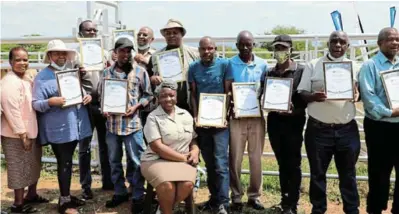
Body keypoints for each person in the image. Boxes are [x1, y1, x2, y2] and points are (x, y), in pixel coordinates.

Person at [297, 31, 361, 214]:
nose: (338, 45)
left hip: (347, 129)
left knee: (348, 174)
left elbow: (362, 93)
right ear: (328, 43)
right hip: (318, 130)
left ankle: (352, 210)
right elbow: (301, 93)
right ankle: (318, 210)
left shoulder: (355, 67)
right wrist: (313, 96)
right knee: (317, 175)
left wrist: (358, 95)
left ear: (348, 46)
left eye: (342, 42)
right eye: (334, 41)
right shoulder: (312, 65)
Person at [32, 40, 92, 214]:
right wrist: (51, 102)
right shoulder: (42, 77)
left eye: (63, 53)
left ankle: (66, 195)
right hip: (59, 129)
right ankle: (65, 201)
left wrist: (86, 96)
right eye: (57, 53)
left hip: (75, 125)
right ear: (50, 56)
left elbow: (80, 92)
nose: (61, 56)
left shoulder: (71, 73)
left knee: (67, 161)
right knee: (64, 162)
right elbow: (36, 104)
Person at [97, 38, 153, 212]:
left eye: (129, 51)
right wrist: (104, 109)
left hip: (133, 125)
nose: (126, 54)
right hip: (112, 126)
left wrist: (137, 106)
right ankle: (120, 192)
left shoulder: (140, 72)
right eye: (122, 51)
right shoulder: (106, 73)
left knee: (136, 162)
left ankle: (137, 196)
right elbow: (101, 97)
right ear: (115, 52)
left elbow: (149, 95)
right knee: (114, 161)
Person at [259, 35, 306, 214]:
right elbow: (264, 96)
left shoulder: (300, 71)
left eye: (284, 48)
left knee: (293, 163)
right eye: (277, 48)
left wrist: (293, 110)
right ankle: (284, 199)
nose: (280, 52)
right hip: (275, 123)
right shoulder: (269, 73)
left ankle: (292, 203)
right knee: (281, 162)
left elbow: (304, 100)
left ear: (290, 50)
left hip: (294, 122)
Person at [1, 47, 49, 214]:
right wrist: (22, 135)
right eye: (18, 60)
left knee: (33, 165)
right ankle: (18, 205)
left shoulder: (27, 79)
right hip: (15, 134)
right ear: (10, 62)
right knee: (18, 169)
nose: (22, 63)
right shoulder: (8, 82)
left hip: (31, 131)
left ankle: (32, 194)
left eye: (25, 60)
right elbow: (11, 111)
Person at [141, 80, 200, 214]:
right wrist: (184, 158)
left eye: (171, 95)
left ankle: (163, 208)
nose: (168, 99)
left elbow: (193, 139)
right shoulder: (153, 117)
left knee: (187, 184)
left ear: (176, 97)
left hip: (182, 160)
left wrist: (195, 151)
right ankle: (166, 210)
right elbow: (158, 148)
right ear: (158, 98)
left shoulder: (186, 115)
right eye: (164, 96)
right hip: (156, 160)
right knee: (167, 186)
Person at [224, 30, 268, 211]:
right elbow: (227, 90)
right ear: (236, 45)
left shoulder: (263, 65)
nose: (244, 47)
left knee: (256, 157)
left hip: (256, 117)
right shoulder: (230, 64)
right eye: (241, 44)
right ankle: (236, 196)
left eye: (248, 44)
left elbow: (267, 89)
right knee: (235, 158)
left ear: (253, 45)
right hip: (236, 117)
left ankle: (254, 195)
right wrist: (228, 110)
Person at [358, 27, 399, 214]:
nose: (395, 43)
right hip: (379, 127)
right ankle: (375, 209)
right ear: (380, 43)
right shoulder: (370, 66)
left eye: (398, 39)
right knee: (379, 172)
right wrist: (390, 112)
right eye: (391, 39)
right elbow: (368, 97)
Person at [188, 36, 230, 214]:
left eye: (210, 48)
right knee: (210, 163)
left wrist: (225, 115)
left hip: (220, 124)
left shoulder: (224, 65)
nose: (207, 52)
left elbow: (228, 92)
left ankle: (224, 202)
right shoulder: (193, 68)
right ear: (199, 50)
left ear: (215, 49)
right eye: (204, 49)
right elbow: (192, 94)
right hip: (202, 124)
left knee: (221, 163)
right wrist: (196, 116)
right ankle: (214, 199)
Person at [76, 19, 114, 196]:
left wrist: (110, 67)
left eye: (94, 30)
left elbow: (111, 77)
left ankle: (108, 181)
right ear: (80, 33)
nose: (92, 33)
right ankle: (86, 186)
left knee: (106, 145)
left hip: (103, 104)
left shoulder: (105, 54)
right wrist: (78, 74)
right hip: (84, 106)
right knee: (84, 146)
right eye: (88, 30)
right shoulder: (75, 56)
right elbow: (67, 82)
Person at [147, 19, 199, 112]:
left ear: (181, 34)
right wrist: (153, 78)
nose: (171, 36)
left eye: (175, 33)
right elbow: (148, 76)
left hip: (188, 104)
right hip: (165, 104)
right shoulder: (155, 56)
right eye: (168, 33)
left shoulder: (194, 53)